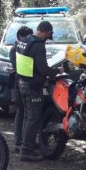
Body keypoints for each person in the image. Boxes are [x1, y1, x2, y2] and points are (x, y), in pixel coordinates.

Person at [16, 21, 64, 162]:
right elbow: (43, 69)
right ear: (45, 32)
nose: (47, 39)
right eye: (48, 36)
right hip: (33, 87)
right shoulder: (38, 45)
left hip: (22, 84)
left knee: (27, 117)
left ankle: (25, 144)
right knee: (34, 119)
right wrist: (57, 71)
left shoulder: (24, 41)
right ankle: (26, 152)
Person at [9, 26, 33, 154]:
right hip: (19, 86)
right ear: (20, 37)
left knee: (27, 113)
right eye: (27, 37)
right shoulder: (14, 49)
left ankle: (25, 140)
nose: (28, 39)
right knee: (21, 112)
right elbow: (18, 68)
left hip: (25, 85)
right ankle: (19, 141)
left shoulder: (26, 48)